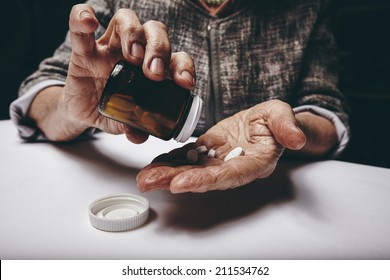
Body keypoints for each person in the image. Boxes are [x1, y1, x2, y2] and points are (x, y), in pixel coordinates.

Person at [10, 0, 350, 193]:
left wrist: (283, 127)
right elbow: (43, 88)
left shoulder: (306, 7)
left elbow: (324, 107)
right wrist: (73, 110)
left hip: (271, 199)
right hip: (145, 200)